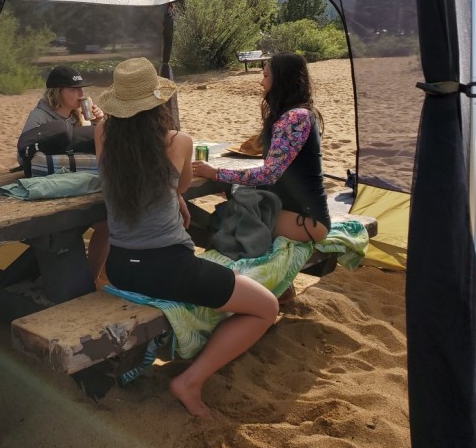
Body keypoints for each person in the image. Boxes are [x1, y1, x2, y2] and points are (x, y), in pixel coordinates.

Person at [94, 57, 278, 417]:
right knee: (266, 307)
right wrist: (176, 194)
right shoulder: (178, 141)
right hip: (169, 269)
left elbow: (150, 182)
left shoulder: (102, 135)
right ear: (158, 103)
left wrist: (171, 194)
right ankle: (190, 380)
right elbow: (180, 183)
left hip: (120, 266)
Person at [192, 51, 331, 243]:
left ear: (282, 80)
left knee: (223, 227)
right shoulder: (299, 113)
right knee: (225, 216)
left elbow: (268, 174)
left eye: (266, 76)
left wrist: (216, 173)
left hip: (306, 220)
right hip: (294, 212)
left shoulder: (295, 117)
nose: (262, 82)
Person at [17, 65, 109, 283]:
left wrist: (99, 123)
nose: (81, 94)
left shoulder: (77, 115)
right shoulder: (39, 117)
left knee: (107, 225)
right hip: (51, 191)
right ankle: (72, 282)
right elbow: (23, 157)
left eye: (82, 89)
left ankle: (91, 278)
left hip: (75, 183)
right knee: (69, 231)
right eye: (74, 90)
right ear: (58, 92)